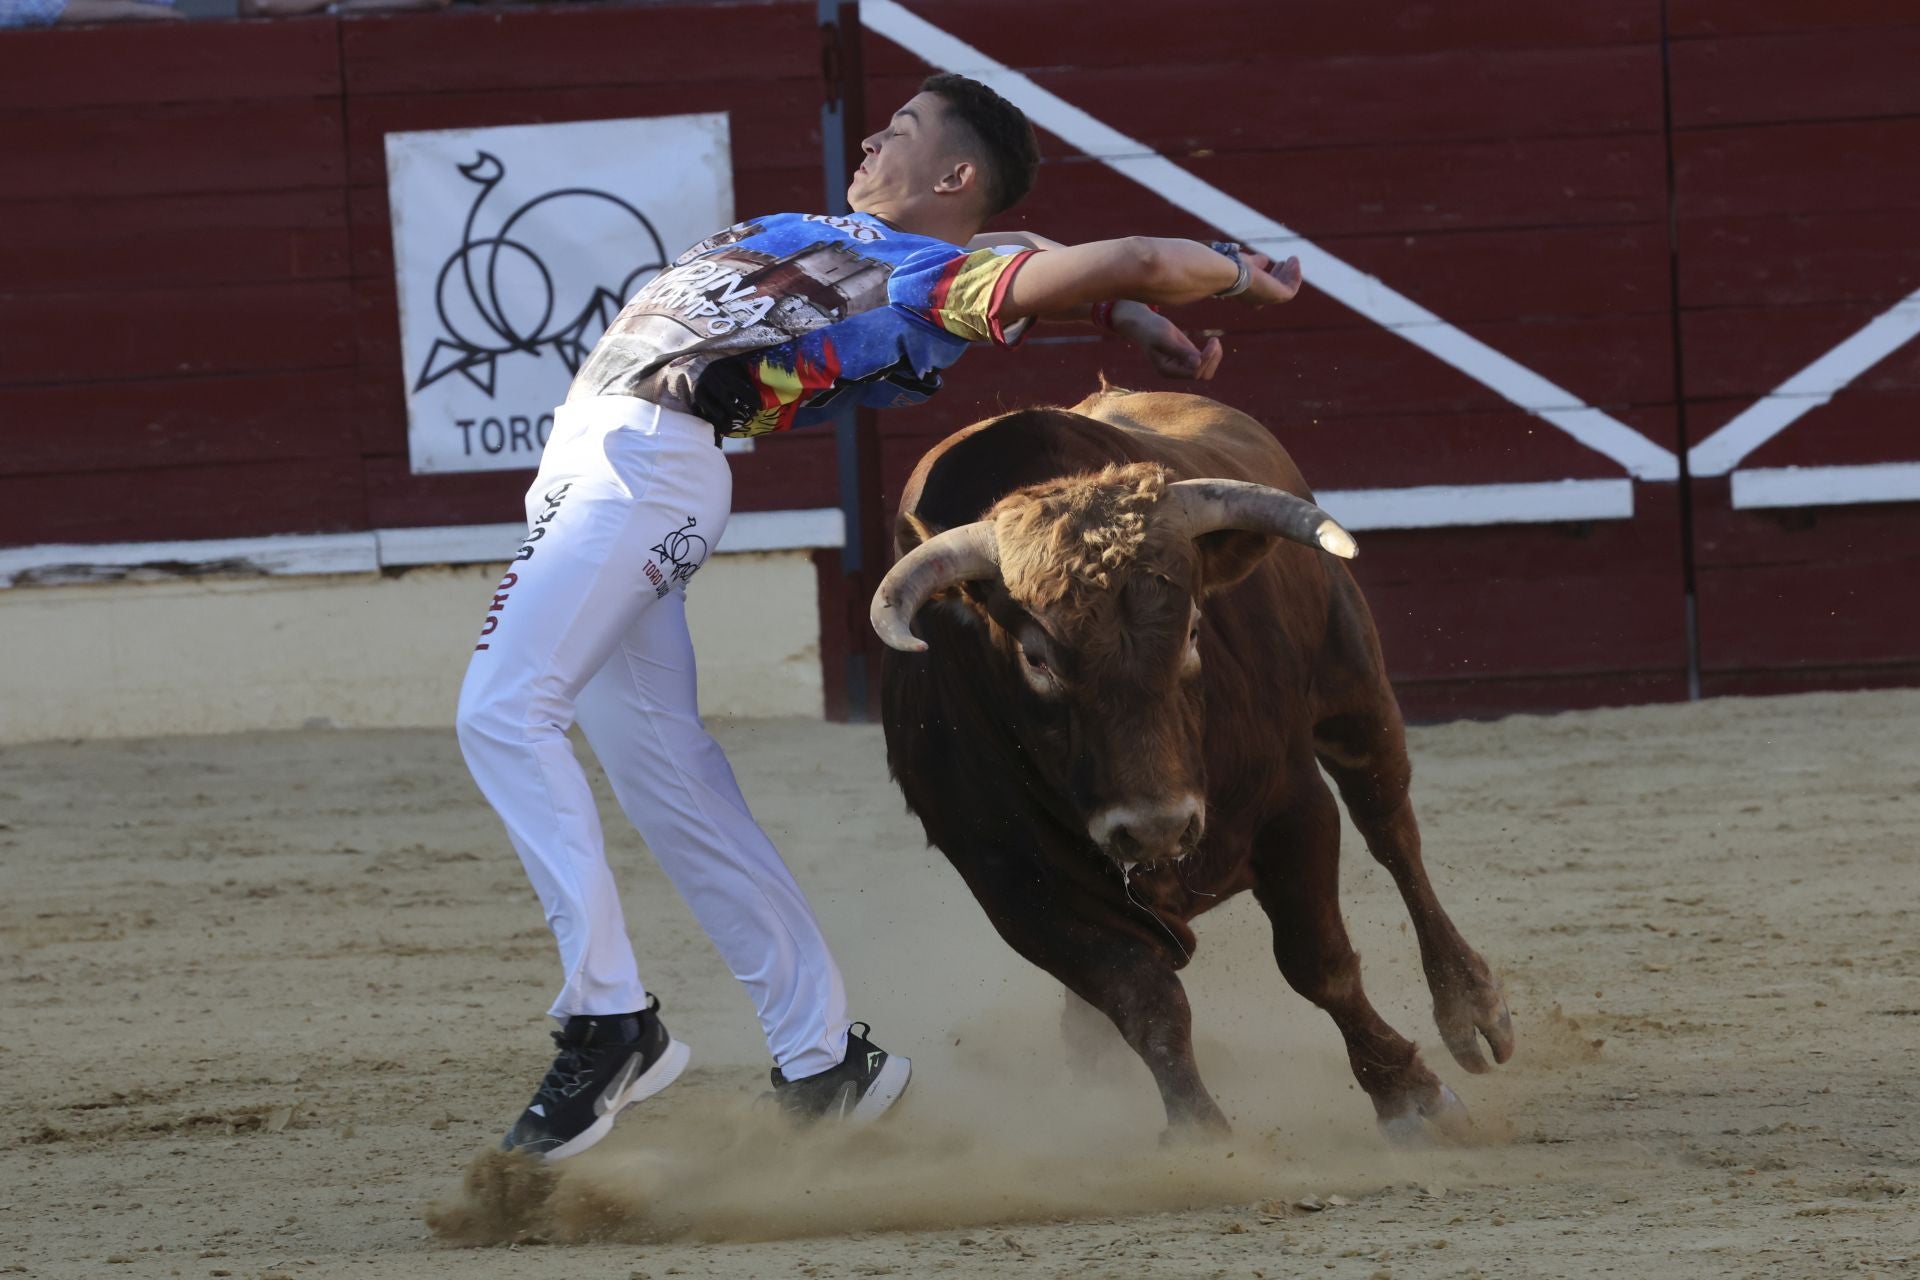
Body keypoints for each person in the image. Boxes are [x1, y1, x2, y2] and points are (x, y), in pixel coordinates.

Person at [455, 72, 1304, 1161]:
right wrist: (1126, 314)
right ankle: (821, 1061)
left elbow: (1131, 252)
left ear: (954, 177)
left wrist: (1239, 276)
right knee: (667, 771)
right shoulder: (854, 236)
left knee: (502, 709)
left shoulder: (937, 284)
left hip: (643, 465)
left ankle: (606, 1018)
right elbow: (1086, 264)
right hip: (610, 469)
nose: (868, 138)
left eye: (899, 131)